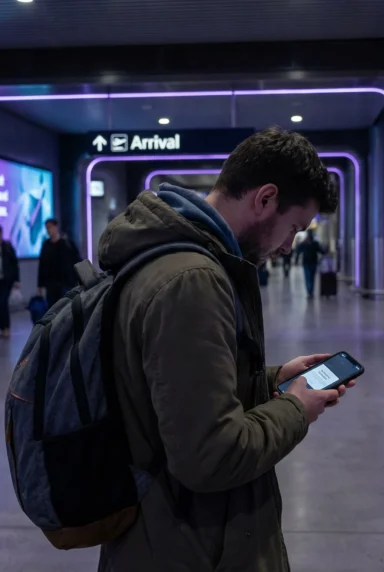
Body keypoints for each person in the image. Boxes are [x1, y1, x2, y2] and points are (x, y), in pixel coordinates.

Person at [96, 127, 351, 571]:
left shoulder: (175, 258)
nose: (290, 244)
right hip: (185, 546)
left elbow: (176, 392)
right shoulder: (192, 280)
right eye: (293, 227)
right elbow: (210, 456)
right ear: (265, 198)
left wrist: (271, 378)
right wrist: (296, 407)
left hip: (166, 535)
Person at [37, 218, 82, 308]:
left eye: (50, 227)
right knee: (52, 309)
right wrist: (40, 285)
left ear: (56, 227)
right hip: (51, 283)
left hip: (66, 283)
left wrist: (79, 279)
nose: (48, 230)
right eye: (47, 228)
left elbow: (77, 260)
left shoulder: (67, 243)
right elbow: (42, 265)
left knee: (65, 308)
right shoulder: (46, 245)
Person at [294, 229, 327, 298]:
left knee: (308, 277)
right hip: (312, 262)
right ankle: (310, 291)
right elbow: (321, 251)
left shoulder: (305, 243)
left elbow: (298, 251)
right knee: (311, 277)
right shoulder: (315, 243)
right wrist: (325, 251)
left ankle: (310, 291)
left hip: (307, 262)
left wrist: (296, 261)